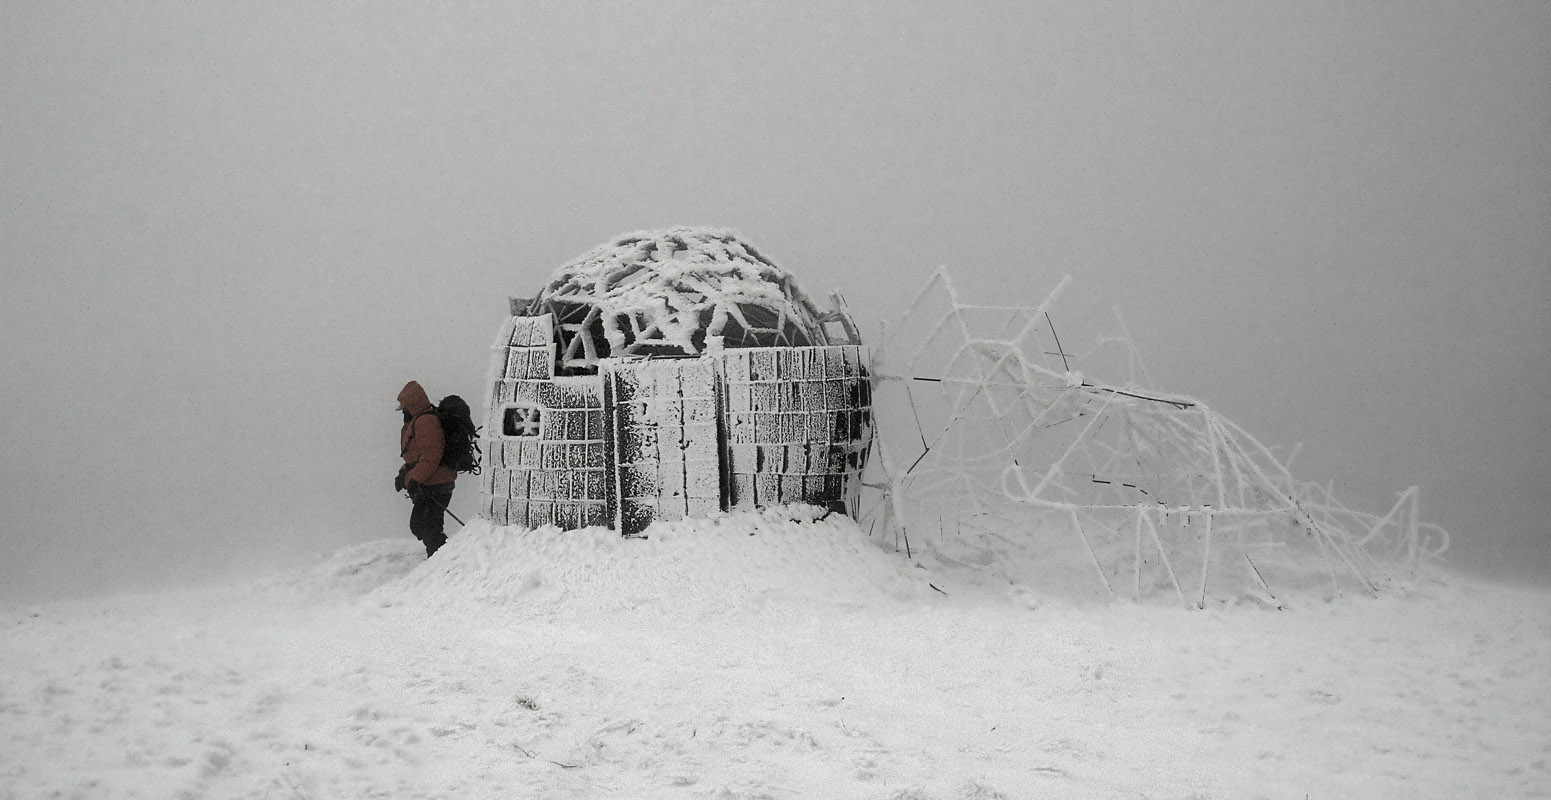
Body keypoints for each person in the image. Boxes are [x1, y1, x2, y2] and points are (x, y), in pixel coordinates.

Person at [396, 380, 457, 557]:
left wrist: (412, 479)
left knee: (427, 527)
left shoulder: (425, 422)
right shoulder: (418, 421)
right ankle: (441, 557)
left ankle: (444, 559)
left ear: (411, 405)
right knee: (423, 526)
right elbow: (416, 456)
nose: (403, 412)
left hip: (437, 484)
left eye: (404, 408)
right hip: (430, 482)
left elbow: (431, 456)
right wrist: (404, 474)